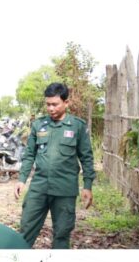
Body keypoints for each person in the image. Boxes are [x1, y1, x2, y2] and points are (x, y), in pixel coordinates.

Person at [15, 82, 96, 248]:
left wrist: (87, 186)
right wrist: (21, 179)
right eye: (48, 104)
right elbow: (29, 154)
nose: (51, 108)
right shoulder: (39, 125)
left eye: (55, 104)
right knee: (25, 231)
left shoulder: (77, 126)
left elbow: (86, 157)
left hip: (64, 190)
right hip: (39, 188)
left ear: (66, 103)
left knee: (62, 234)